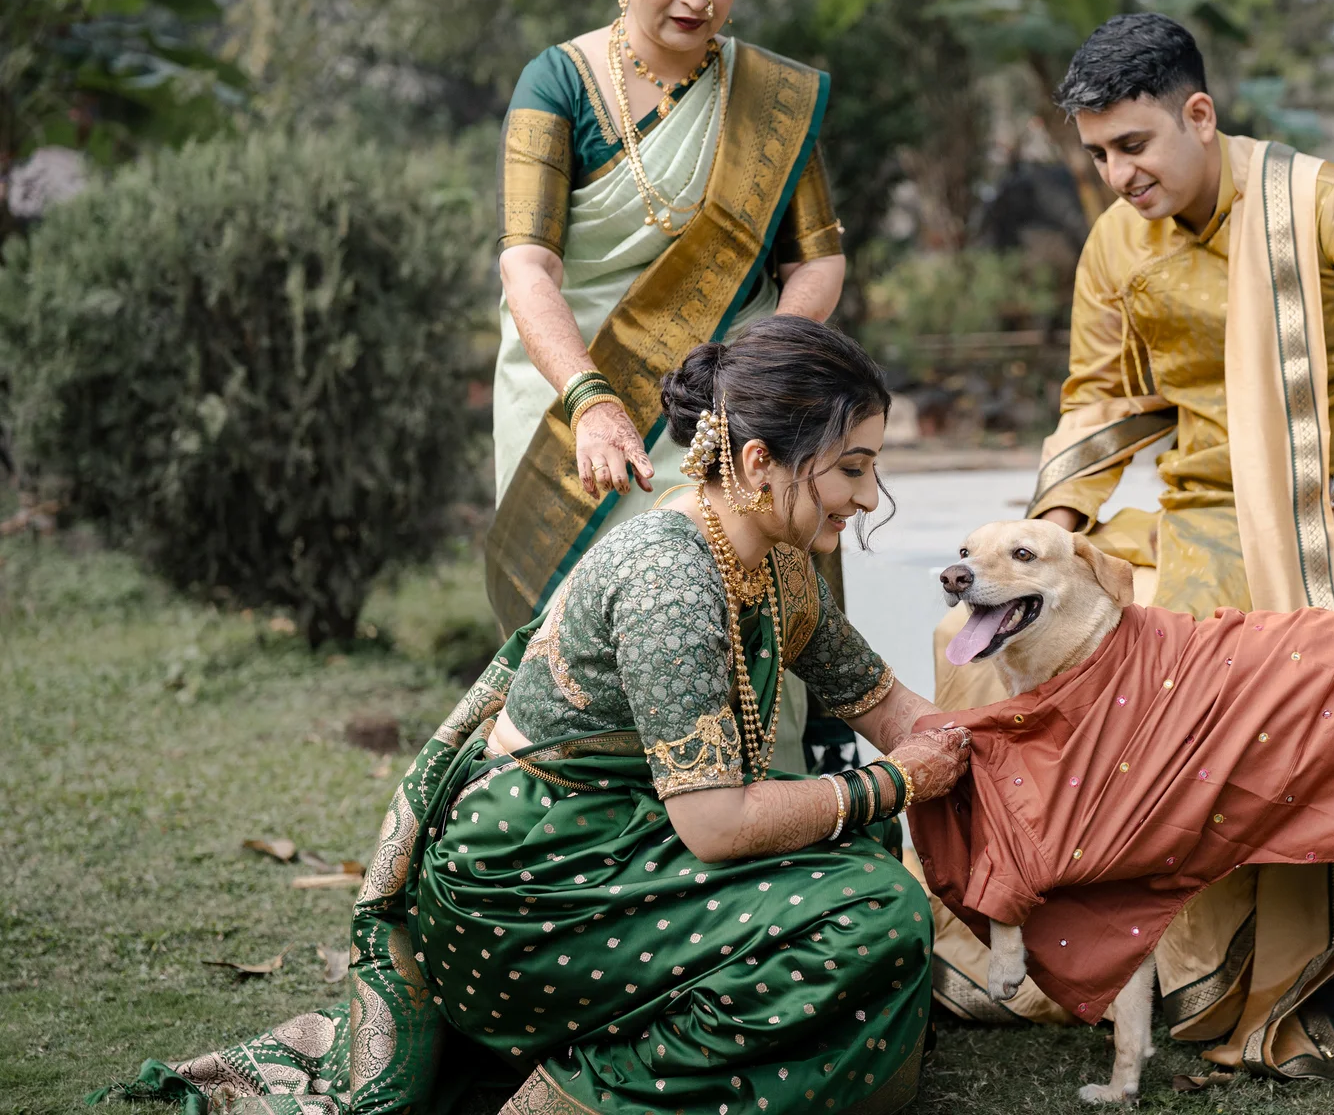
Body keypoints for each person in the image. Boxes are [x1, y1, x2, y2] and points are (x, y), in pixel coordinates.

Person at [103, 318, 973, 1115]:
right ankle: (567, 1099)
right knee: (872, 913)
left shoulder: (771, 564)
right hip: (528, 891)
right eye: (852, 467)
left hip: (619, 851)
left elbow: (886, 705)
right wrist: (892, 783)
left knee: (861, 859)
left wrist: (983, 740)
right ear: (756, 464)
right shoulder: (671, 581)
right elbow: (715, 823)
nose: (867, 497)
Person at [924, 14, 1334, 1079]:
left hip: (1323, 523)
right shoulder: (1118, 241)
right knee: (970, 633)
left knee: (1180, 671)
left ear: (1200, 115)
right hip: (1185, 510)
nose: (1118, 174)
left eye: (1137, 144)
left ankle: (1226, 991)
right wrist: (1052, 535)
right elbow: (1099, 398)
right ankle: (1011, 937)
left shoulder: (1327, 206)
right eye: (1100, 152)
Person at [487, 0, 848, 637]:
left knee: (733, 618)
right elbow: (528, 260)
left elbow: (815, 259)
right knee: (586, 632)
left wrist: (763, 377)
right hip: (572, 387)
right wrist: (589, 401)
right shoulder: (555, 83)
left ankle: (748, 767)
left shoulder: (774, 100)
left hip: (730, 408)